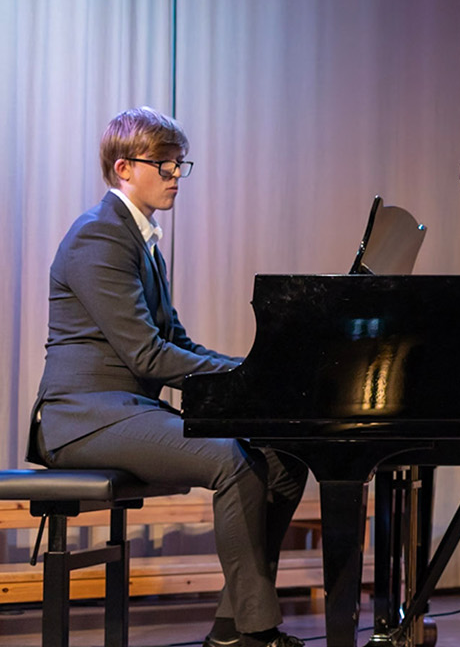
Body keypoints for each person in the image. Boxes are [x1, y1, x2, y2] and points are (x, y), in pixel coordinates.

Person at [27, 107, 309, 647]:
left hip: (127, 412)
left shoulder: (142, 243)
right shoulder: (98, 237)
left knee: (283, 457)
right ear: (123, 168)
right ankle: (256, 631)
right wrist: (252, 378)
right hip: (82, 418)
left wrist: (254, 372)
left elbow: (176, 343)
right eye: (165, 165)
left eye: (180, 165)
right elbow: (147, 357)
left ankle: (232, 628)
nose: (176, 176)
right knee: (230, 458)